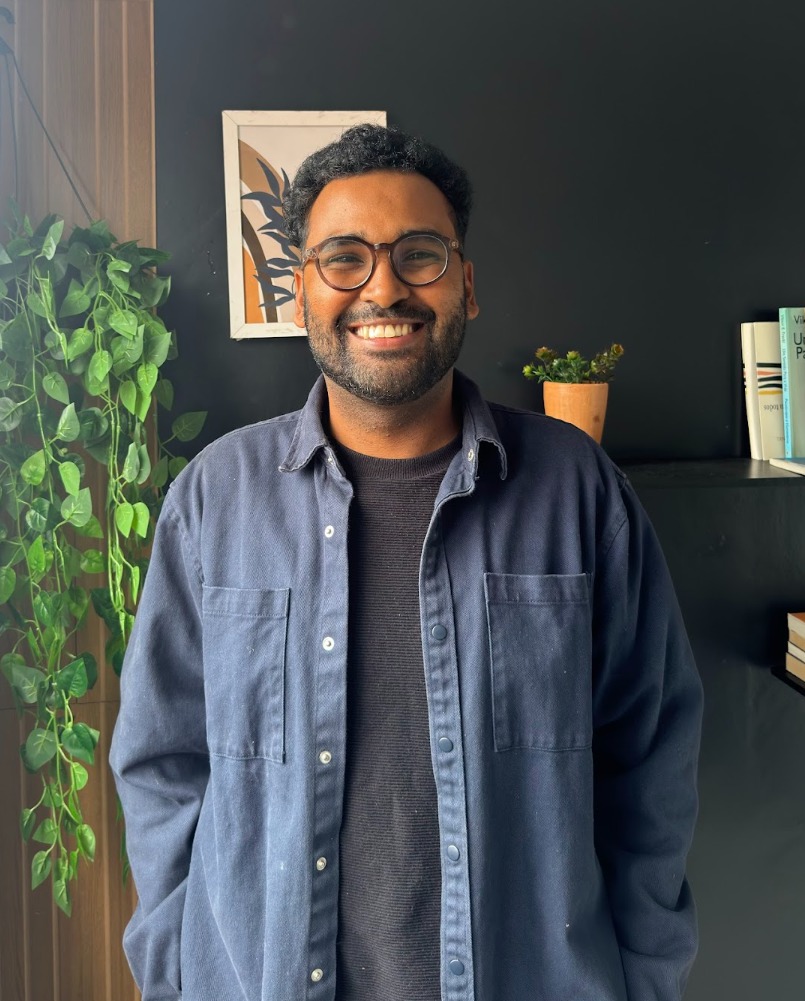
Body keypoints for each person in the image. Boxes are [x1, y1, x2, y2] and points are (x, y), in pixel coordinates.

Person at [110, 124, 703, 1001]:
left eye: (419, 254)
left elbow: (648, 760)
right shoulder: (213, 500)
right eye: (344, 258)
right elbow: (161, 764)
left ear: (466, 283)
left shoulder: (578, 492)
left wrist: (646, 978)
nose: (383, 286)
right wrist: (178, 971)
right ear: (300, 291)